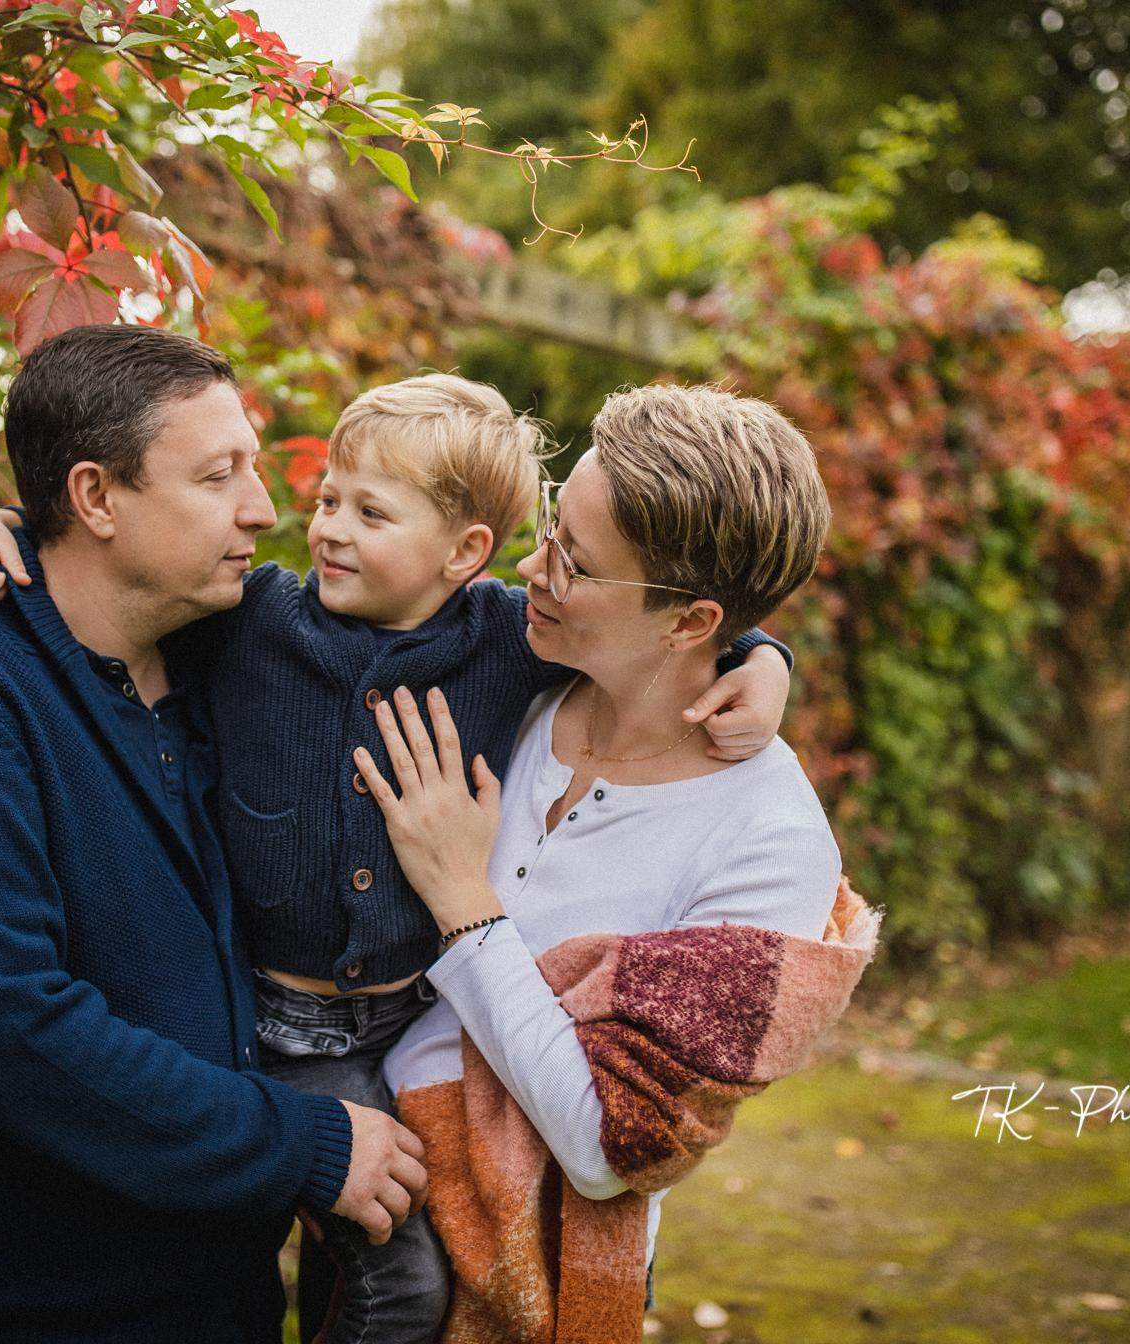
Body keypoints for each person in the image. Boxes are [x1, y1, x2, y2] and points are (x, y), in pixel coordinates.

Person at [0, 372, 797, 1342]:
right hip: (280, 1026)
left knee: (373, 1268)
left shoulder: (507, 640)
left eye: (371, 512)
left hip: (403, 1029)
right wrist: (7, 528)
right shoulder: (253, 618)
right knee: (392, 1279)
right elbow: (122, 569)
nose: (329, 529)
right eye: (328, 501)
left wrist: (761, 659)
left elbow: (678, 619)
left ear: (466, 554)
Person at [0, 325, 430, 1344]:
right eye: (217, 476)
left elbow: (484, 629)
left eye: (253, 467)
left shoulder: (227, 662)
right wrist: (302, 1145)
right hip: (34, 1319)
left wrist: (743, 648)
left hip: (229, 1307)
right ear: (97, 498)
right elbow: (5, 1033)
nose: (264, 507)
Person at [363, 383, 869, 1340]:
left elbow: (610, 1146)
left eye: (576, 564)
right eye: (552, 529)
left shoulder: (770, 845)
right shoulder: (508, 677)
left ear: (688, 623)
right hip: (371, 1213)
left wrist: (465, 905)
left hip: (533, 1271)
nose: (531, 566)